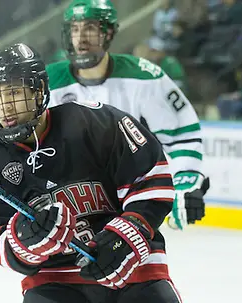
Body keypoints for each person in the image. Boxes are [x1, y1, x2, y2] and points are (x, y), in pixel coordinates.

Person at [0, 42, 183, 302]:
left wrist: (124, 237)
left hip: (132, 270)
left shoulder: (96, 123)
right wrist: (26, 241)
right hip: (54, 280)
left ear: (39, 91)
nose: (5, 107)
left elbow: (150, 179)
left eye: (12, 92)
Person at [48, 0, 209, 230]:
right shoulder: (48, 82)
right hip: (72, 208)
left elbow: (182, 135)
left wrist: (184, 182)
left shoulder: (145, 77)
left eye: (90, 29)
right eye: (75, 29)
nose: (81, 38)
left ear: (109, 33)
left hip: (131, 206)